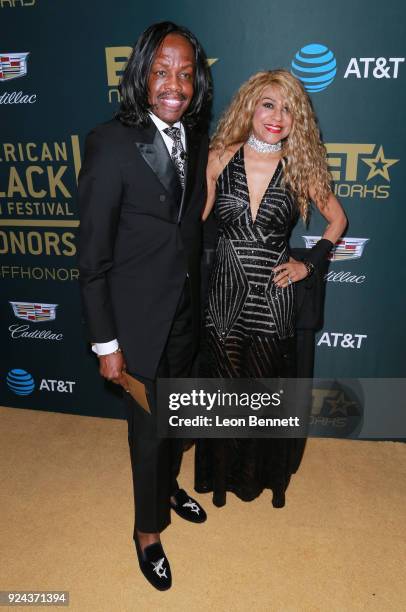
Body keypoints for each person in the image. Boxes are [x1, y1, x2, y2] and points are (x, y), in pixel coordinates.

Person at [78, 22, 211, 591]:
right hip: (136, 326)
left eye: (185, 73)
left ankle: (169, 487)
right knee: (147, 435)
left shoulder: (196, 132)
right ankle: (147, 532)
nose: (174, 84)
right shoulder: (109, 142)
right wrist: (106, 344)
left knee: (177, 422)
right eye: (162, 70)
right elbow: (91, 257)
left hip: (186, 311)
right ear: (141, 73)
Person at [195, 69, 347, 508]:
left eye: (287, 108)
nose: (276, 115)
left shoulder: (300, 166)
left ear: (297, 117)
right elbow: (197, 221)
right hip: (224, 293)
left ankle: (252, 480)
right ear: (250, 107)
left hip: (272, 295)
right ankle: (219, 481)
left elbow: (338, 221)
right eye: (268, 104)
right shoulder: (221, 156)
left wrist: (309, 264)